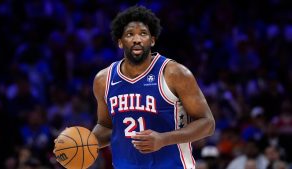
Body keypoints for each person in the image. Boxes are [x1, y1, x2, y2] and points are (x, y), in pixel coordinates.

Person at [91, 5, 215, 169]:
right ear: (120, 42)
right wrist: (85, 143)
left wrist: (164, 139)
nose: (137, 39)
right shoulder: (103, 79)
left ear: (152, 40)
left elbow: (207, 123)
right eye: (130, 34)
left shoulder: (175, 73)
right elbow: (107, 127)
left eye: (143, 33)